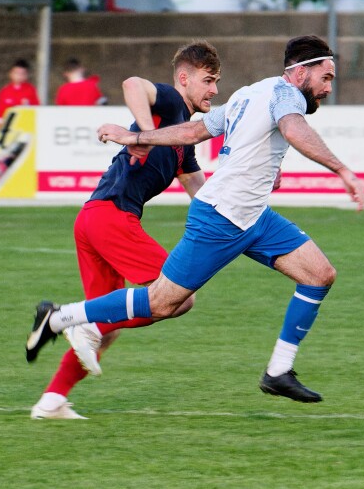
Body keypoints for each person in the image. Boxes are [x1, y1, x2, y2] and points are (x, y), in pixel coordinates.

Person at [26, 35, 364, 404]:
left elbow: (193, 132)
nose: (329, 87)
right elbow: (292, 129)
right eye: (326, 78)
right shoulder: (287, 97)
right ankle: (62, 318)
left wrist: (137, 135)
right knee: (164, 303)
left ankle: (278, 371)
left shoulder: (250, 93)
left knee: (320, 275)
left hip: (254, 217)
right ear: (300, 72)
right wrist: (342, 169)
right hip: (220, 218)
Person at [30, 40, 221, 419]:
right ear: (184, 78)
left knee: (108, 325)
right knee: (179, 297)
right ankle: (61, 318)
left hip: (94, 219)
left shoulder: (182, 142)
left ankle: (51, 401)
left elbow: (204, 192)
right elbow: (133, 83)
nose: (214, 90)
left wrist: (256, 185)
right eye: (208, 80)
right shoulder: (170, 102)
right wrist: (144, 134)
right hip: (110, 218)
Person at [0, 59, 40, 126]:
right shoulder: (5, 91)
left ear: (26, 75)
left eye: (22, 74)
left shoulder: (30, 90)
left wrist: (28, 105)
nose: (19, 76)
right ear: (11, 74)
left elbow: (37, 107)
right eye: (16, 73)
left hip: (25, 124)